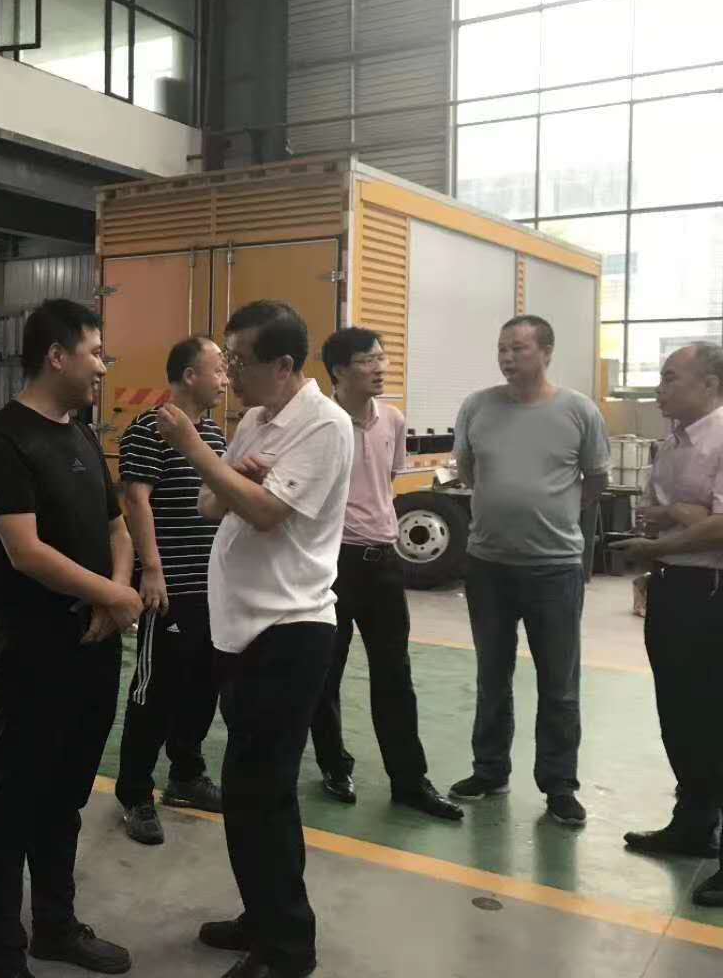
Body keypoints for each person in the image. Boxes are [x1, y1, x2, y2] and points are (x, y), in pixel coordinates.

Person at [156, 300, 352, 978]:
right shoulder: (258, 420)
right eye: (228, 360)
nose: (229, 374)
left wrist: (197, 451)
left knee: (261, 795)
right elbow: (212, 504)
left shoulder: (324, 425)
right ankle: (261, 915)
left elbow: (266, 514)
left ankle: (287, 949)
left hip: (289, 632)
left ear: (285, 364)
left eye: (239, 362)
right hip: (241, 631)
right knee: (250, 794)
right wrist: (231, 476)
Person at [0, 299, 142, 978]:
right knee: (13, 800)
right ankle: (2, 947)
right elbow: (25, 551)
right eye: (96, 353)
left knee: (66, 795)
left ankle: (55, 926)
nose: (103, 367)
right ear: (57, 355)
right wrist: (114, 597)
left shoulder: (82, 436)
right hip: (32, 651)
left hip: (92, 646)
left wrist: (114, 598)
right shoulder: (4, 440)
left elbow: (117, 527)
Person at [448, 315, 610, 827]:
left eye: (518, 348)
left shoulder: (579, 411)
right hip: (488, 565)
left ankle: (559, 785)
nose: (507, 357)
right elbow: (469, 470)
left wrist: (551, 514)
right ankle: (490, 770)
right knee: (491, 676)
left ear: (546, 351)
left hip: (554, 569)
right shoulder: (477, 406)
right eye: (502, 348)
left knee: (558, 683)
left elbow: (595, 480)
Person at [308, 328, 463, 822]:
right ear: (338, 371)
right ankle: (334, 765)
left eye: (382, 358)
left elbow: (386, 481)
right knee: (325, 673)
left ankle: (409, 780)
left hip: (383, 564)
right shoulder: (320, 421)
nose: (380, 368)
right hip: (332, 565)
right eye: (367, 360)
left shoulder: (392, 419)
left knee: (395, 675)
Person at [611, 343, 723, 908]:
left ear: (710, 384)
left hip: (713, 592)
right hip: (674, 588)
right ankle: (693, 824)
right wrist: (678, 520)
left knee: (715, 719)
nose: (660, 388)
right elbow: (681, 514)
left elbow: (720, 527)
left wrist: (665, 536)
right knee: (679, 714)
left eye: (671, 378)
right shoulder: (674, 442)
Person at [115, 336, 229, 846]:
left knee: (203, 686)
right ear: (189, 375)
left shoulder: (214, 436)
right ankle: (135, 792)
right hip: (170, 588)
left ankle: (185, 775)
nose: (225, 379)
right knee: (155, 691)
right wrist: (152, 571)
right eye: (218, 369)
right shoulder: (151, 427)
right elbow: (136, 501)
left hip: (212, 589)